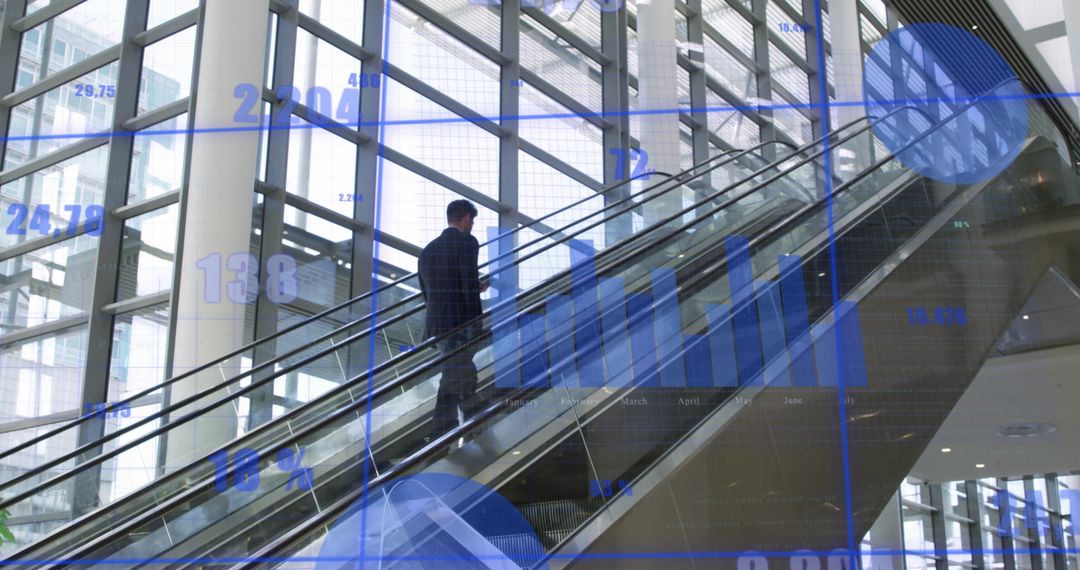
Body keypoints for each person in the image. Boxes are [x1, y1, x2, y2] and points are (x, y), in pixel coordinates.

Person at [418, 200, 490, 439]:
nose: (472, 225)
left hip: (437, 325)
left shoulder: (427, 251)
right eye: (472, 220)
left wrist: (471, 285)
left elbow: (427, 293)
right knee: (456, 375)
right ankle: (441, 434)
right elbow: (466, 281)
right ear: (467, 217)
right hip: (461, 323)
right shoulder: (467, 242)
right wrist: (477, 323)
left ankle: (472, 426)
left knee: (461, 373)